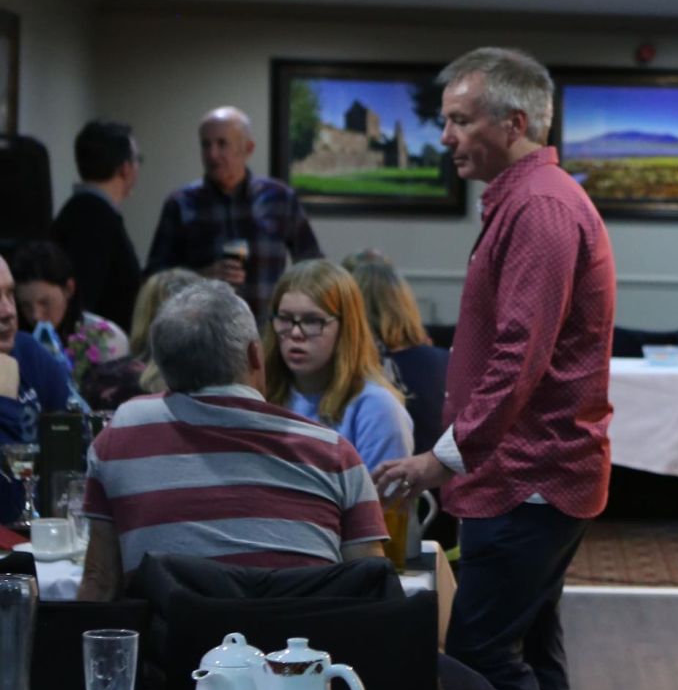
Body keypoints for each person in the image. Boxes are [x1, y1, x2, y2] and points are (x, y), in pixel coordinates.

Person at [376, 46, 616, 690]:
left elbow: (520, 356)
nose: (444, 136)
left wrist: (440, 456)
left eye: (459, 119)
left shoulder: (542, 207)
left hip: (528, 476)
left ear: (514, 123)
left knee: (481, 656)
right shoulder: (528, 198)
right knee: (530, 655)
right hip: (532, 474)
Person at [78, 280, 386, 597]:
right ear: (255, 355)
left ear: (163, 365)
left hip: (174, 629)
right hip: (299, 628)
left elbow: (100, 582)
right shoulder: (333, 454)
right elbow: (371, 590)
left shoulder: (122, 434)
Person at [145, 106, 320, 325]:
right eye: (205, 145)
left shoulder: (280, 198)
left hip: (268, 332)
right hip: (202, 334)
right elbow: (154, 281)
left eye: (222, 144)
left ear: (248, 148)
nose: (212, 154)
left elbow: (313, 265)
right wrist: (200, 277)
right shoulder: (180, 203)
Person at [263, 259, 413, 475]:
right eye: (285, 319)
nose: (295, 333)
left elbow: (380, 496)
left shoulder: (377, 408)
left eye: (312, 321)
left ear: (346, 328)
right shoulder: (261, 396)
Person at [343, 250, 450, 456]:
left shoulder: (349, 370)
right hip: (441, 473)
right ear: (406, 304)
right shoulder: (447, 362)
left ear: (350, 311)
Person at [50, 118, 143, 331]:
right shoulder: (94, 218)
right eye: (137, 160)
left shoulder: (82, 212)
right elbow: (83, 304)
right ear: (125, 168)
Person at [0, 254, 72, 526]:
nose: (8, 311)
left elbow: (73, 444)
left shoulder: (29, 352)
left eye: (10, 294)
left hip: (43, 533)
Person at [9, 239, 131, 391]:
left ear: (69, 289)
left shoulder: (106, 338)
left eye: (45, 303)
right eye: (25, 305)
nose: (36, 315)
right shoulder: (13, 340)